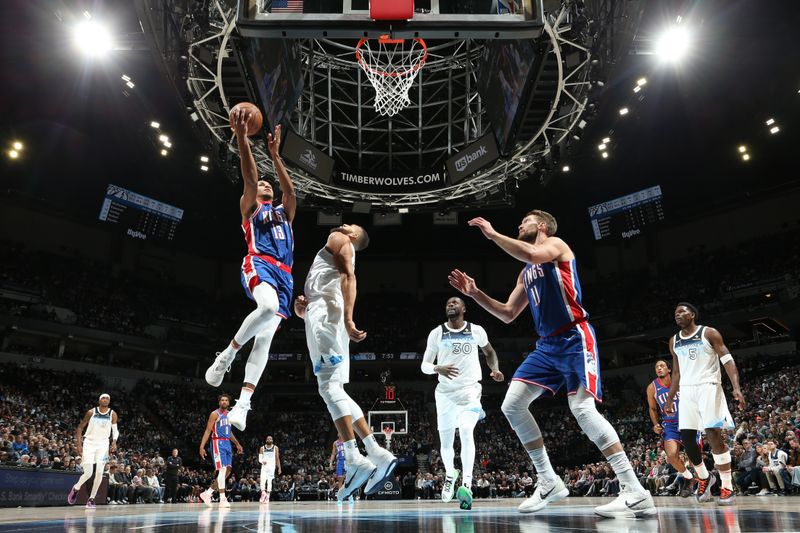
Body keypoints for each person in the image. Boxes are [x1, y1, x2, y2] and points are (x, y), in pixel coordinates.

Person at [449, 210, 656, 518]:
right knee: (512, 405)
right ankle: (548, 480)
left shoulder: (556, 246)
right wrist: (475, 294)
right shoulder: (526, 272)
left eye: (526, 221)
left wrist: (492, 234)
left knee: (583, 410)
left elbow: (533, 252)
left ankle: (635, 491)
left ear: (542, 226)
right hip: (547, 346)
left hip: (574, 337)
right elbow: (507, 313)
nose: (519, 224)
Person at [205, 114, 297, 432]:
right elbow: (248, 177)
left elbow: (291, 193)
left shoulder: (284, 213)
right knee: (267, 308)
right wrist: (243, 139)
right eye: (262, 184)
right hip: (259, 262)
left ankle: (243, 403)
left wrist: (276, 157)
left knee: (265, 340)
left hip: (285, 275)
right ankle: (227, 354)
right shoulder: (251, 207)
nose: (265, 184)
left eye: (268, 183)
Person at [293, 224, 396, 501]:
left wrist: (349, 319)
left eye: (354, 226)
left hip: (327, 312)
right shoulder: (339, 246)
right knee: (334, 386)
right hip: (323, 311)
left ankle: (354, 457)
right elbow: (334, 282)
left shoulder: (339, 238)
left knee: (327, 387)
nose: (347, 224)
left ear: (354, 236)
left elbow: (349, 277)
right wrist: (304, 311)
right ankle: (376, 452)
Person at [421, 296, 504, 510]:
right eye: (448, 302)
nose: (450, 304)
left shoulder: (476, 330)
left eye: (455, 302)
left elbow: (490, 352)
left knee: (467, 430)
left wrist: (494, 369)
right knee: (446, 443)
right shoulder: (437, 333)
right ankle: (450, 474)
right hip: (445, 394)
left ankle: (466, 483)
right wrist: (437, 368)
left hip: (470, 391)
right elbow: (424, 365)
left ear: (464, 308)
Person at [665, 303, 745, 506]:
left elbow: (727, 359)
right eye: (675, 313)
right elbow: (675, 372)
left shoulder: (709, 333)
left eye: (682, 312)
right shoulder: (674, 340)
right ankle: (704, 477)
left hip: (708, 386)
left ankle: (727, 486)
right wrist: (670, 396)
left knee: (712, 434)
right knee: (687, 437)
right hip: (687, 389)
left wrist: (736, 387)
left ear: (692, 314)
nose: (678, 315)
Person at [646, 359, 695, 497]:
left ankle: (703, 479)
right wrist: (656, 424)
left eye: (662, 366)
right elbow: (652, 408)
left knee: (694, 456)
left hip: (688, 420)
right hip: (670, 424)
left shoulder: (680, 380)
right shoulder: (652, 387)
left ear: (669, 369)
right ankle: (687, 477)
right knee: (672, 456)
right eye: (657, 367)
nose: (659, 368)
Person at [67, 393, 119, 509]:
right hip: (89, 443)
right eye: (103, 398)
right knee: (89, 473)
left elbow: (115, 430)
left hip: (103, 444)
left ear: (109, 401)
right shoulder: (91, 412)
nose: (105, 400)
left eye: (107, 398)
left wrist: (114, 441)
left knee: (100, 472)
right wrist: (79, 444)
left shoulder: (112, 414)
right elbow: (80, 427)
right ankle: (76, 488)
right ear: (99, 400)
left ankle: (91, 499)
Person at [198, 394, 244, 507]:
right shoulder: (214, 414)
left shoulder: (230, 415)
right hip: (217, 442)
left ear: (229, 403)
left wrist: (237, 443)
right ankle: (222, 498)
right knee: (222, 470)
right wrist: (201, 446)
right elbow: (208, 431)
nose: (224, 402)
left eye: (226, 400)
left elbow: (229, 432)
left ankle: (207, 493)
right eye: (222, 400)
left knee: (228, 470)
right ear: (219, 403)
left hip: (227, 442)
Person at [259, 435, 281, 503]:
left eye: (270, 439)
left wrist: (279, 468)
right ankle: (263, 493)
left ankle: (268, 496)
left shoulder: (275, 448)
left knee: (269, 482)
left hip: (271, 468)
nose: (269, 440)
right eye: (268, 439)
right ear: (266, 440)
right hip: (264, 467)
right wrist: (262, 461)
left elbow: (277, 458)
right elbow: (259, 459)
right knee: (262, 480)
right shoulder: (262, 448)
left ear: (272, 440)